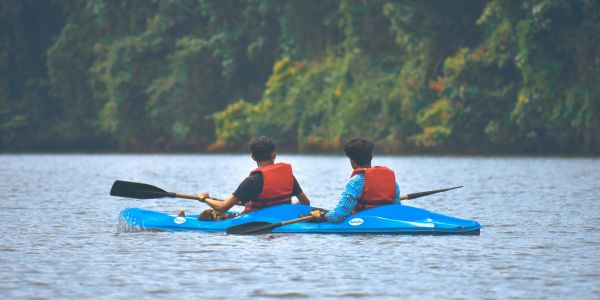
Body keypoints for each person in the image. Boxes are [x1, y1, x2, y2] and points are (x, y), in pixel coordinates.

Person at [197, 136, 310, 221]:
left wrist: (204, 198)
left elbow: (223, 207)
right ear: (274, 155)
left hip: (256, 221)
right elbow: (305, 203)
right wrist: (287, 208)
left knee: (207, 214)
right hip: (284, 219)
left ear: (253, 157)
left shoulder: (252, 181)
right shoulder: (288, 176)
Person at [309, 138, 401, 223]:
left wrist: (322, 215)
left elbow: (337, 217)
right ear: (371, 157)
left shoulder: (357, 181)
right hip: (388, 221)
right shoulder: (391, 180)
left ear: (352, 161)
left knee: (319, 212)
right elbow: (396, 207)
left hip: (363, 222)